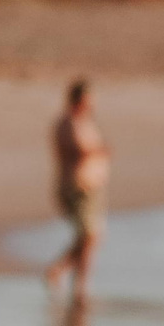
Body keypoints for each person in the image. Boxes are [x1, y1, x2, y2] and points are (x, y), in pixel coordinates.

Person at [43, 79, 111, 303]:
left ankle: (68, 277)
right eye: (87, 100)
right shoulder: (68, 123)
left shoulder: (84, 122)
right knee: (89, 236)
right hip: (77, 187)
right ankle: (73, 282)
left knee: (90, 236)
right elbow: (77, 151)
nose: (91, 104)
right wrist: (98, 151)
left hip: (91, 187)